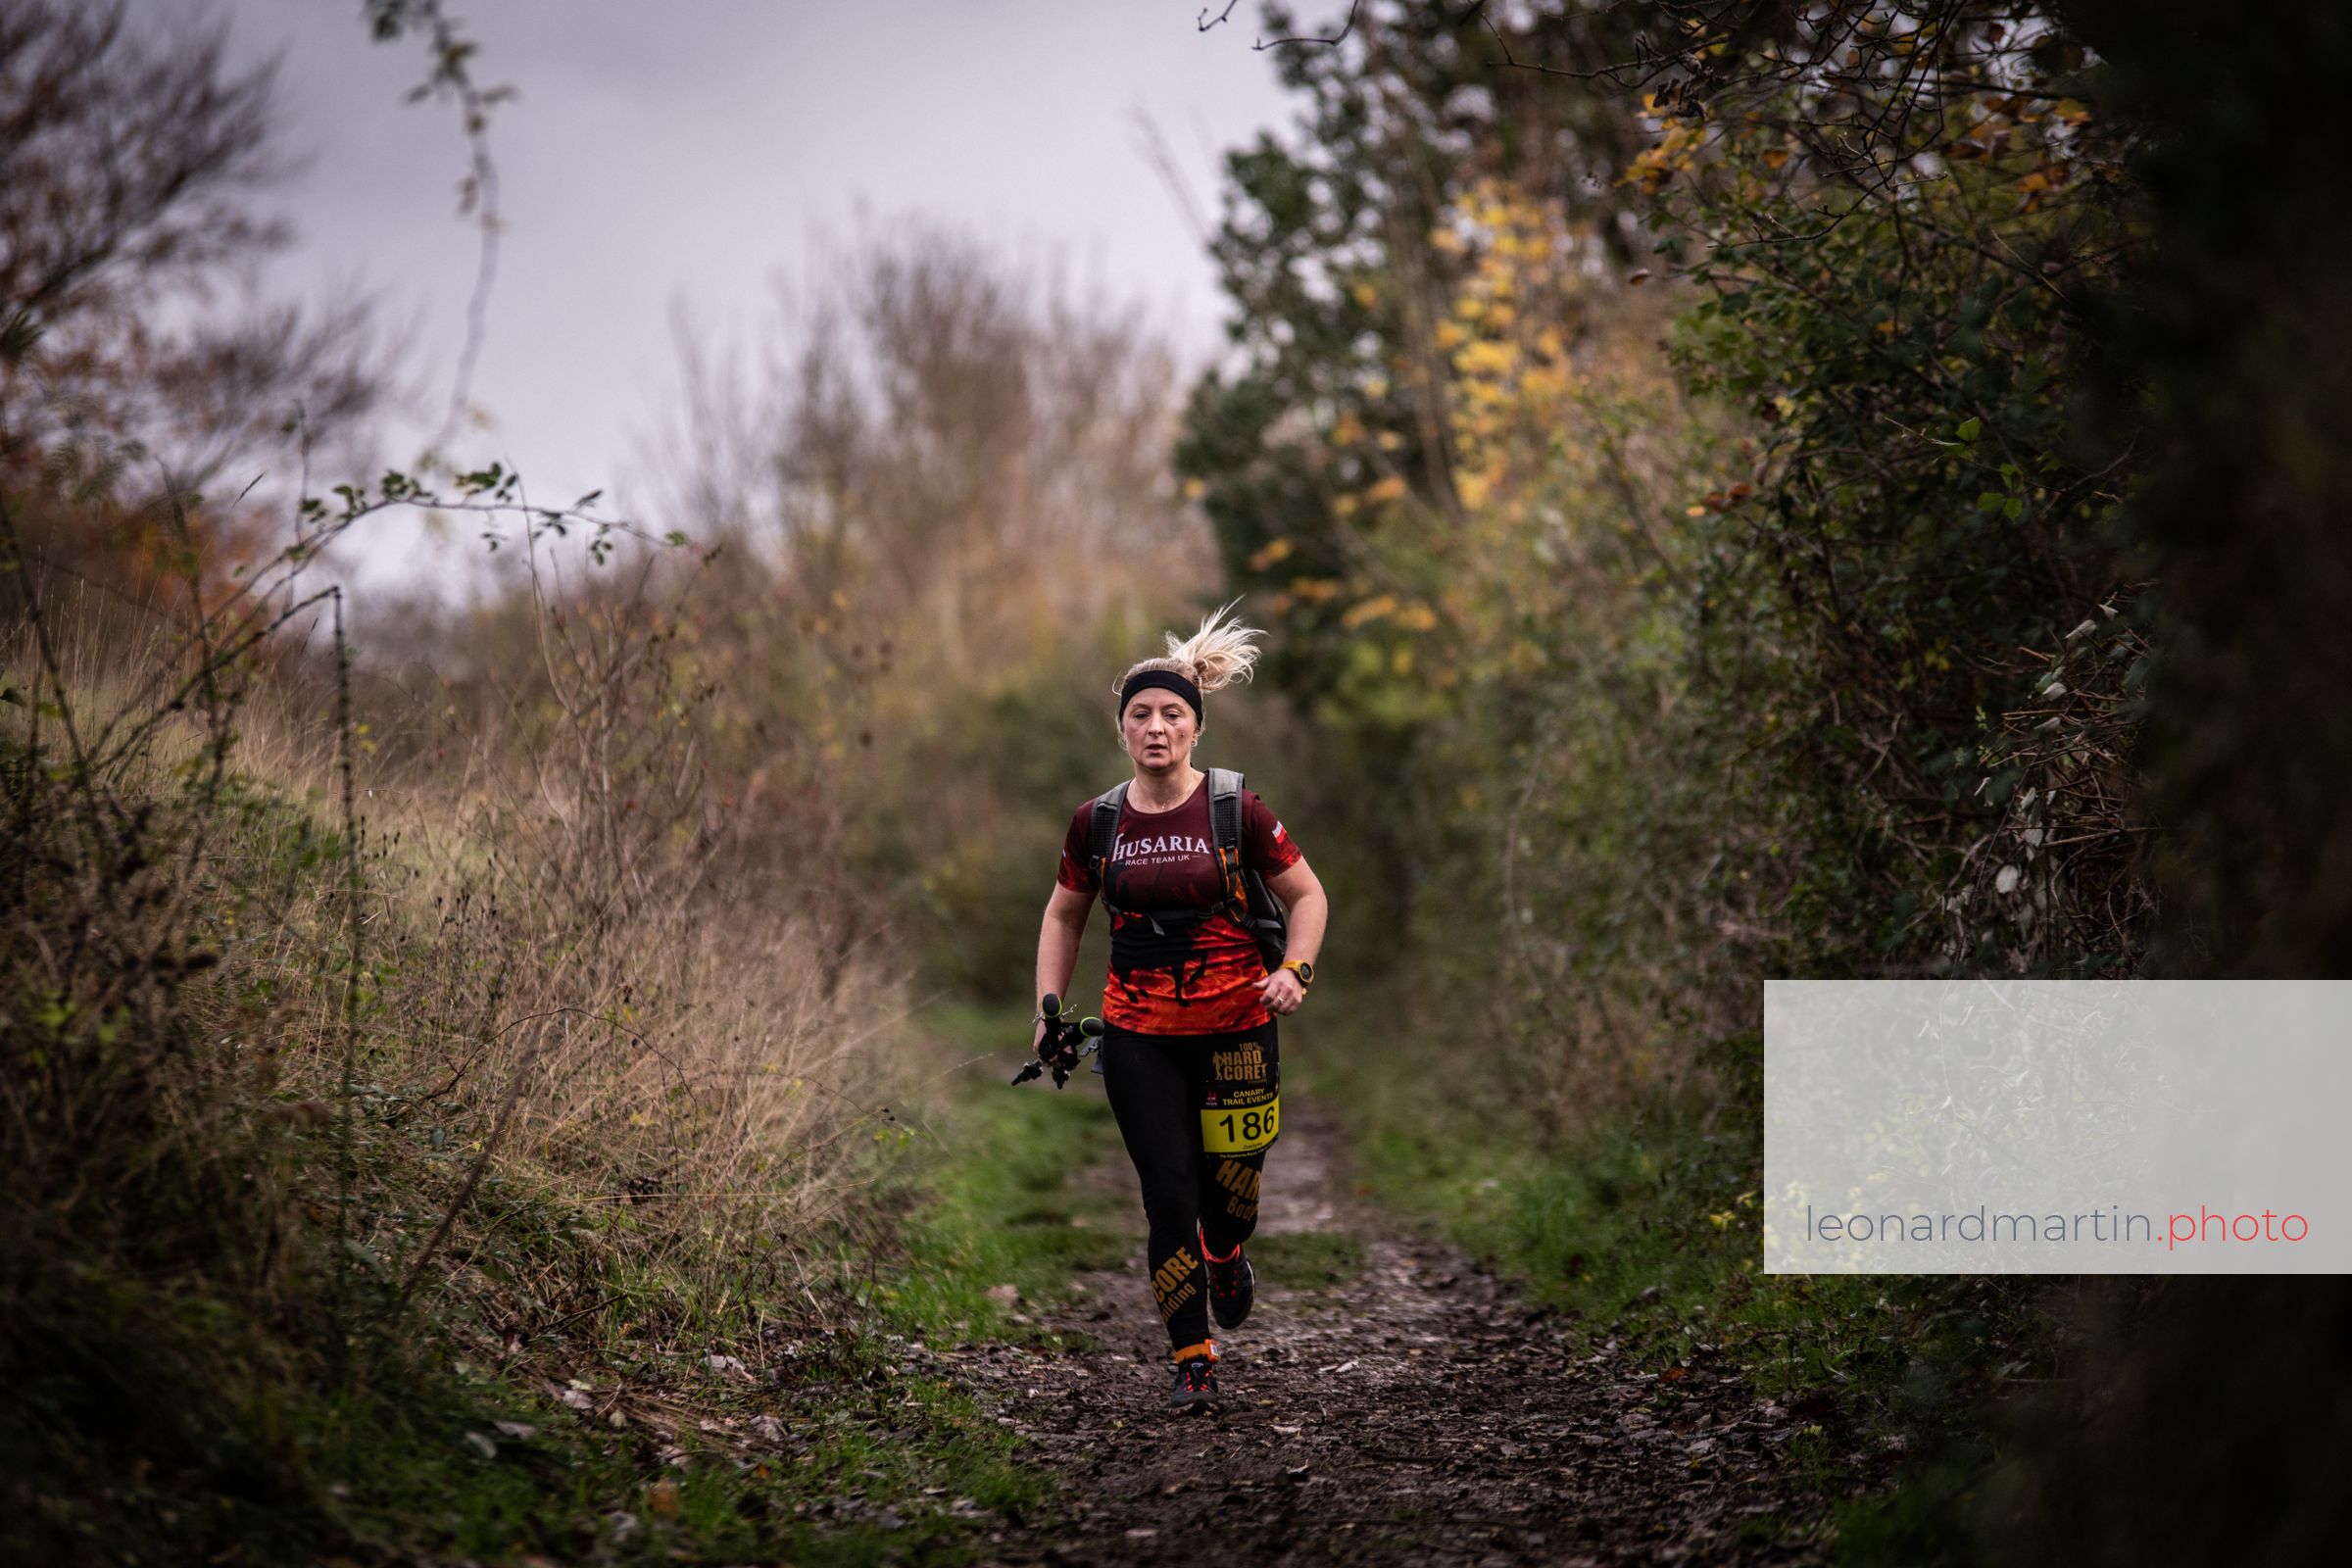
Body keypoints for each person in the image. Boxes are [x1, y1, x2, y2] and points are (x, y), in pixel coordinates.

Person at [1031, 603, 1328, 1413]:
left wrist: (1295, 971)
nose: (1155, 728)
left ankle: (1226, 1254)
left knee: (1230, 1201)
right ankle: (1192, 1358)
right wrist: (1049, 1011)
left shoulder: (1236, 808)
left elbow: (1308, 896)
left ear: (1196, 726)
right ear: (1122, 729)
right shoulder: (1097, 822)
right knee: (1168, 1196)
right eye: (1140, 715)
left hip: (1238, 1029)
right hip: (1139, 1035)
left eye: (1171, 714)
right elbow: (1064, 916)